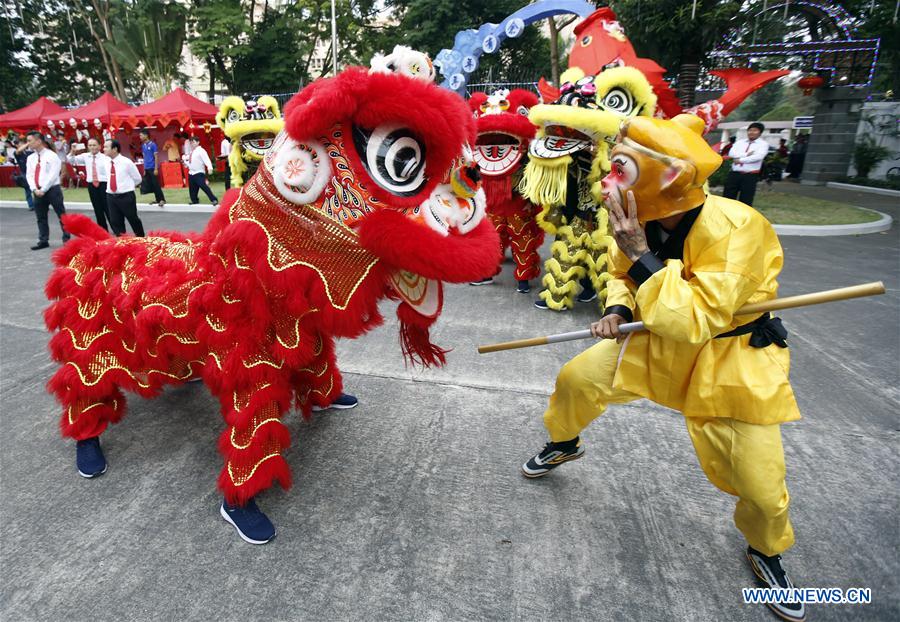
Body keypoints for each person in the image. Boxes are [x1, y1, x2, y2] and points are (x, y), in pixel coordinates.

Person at [522, 114, 806, 622]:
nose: (608, 179)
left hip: (730, 356)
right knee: (576, 379)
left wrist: (639, 253)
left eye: (621, 169)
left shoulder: (738, 227)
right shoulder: (637, 215)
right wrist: (618, 311)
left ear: (668, 177)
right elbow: (620, 276)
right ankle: (565, 441)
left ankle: (765, 551)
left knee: (761, 484)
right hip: (654, 338)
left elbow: (694, 319)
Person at [24, 131, 69, 250]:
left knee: (61, 215)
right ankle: (43, 240)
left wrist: (44, 189)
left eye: (30, 141)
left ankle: (67, 239)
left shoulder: (52, 155)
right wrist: (34, 189)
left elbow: (54, 174)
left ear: (39, 141)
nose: (28, 144)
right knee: (41, 216)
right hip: (37, 191)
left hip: (52, 190)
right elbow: (29, 175)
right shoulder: (30, 158)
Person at [104, 139, 146, 237]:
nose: (104, 149)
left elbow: (137, 178)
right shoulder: (106, 161)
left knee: (133, 219)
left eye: (106, 147)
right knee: (115, 221)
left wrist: (127, 187)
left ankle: (141, 239)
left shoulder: (126, 162)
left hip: (126, 196)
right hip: (111, 196)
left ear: (114, 149)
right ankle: (122, 243)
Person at [722, 121, 769, 206]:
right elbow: (732, 154)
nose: (751, 132)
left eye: (755, 130)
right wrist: (746, 154)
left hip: (750, 175)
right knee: (727, 197)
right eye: (750, 130)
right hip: (734, 174)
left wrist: (740, 160)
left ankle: (742, 218)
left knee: (746, 199)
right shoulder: (740, 142)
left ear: (760, 132)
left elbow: (758, 157)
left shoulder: (763, 144)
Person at [68, 138, 111, 231]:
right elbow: (70, 160)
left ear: (100, 146)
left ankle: (117, 230)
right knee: (97, 209)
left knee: (108, 208)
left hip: (104, 184)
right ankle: (103, 231)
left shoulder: (105, 157)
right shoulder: (85, 156)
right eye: (90, 145)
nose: (92, 147)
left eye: (94, 145)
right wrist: (72, 151)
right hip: (92, 185)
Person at [184, 135, 219, 206]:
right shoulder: (191, 152)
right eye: (191, 142)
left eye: (193, 142)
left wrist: (210, 168)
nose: (192, 144)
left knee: (203, 186)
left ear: (198, 142)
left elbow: (207, 160)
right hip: (191, 172)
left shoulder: (201, 151)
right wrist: (186, 163)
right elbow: (191, 161)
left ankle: (213, 199)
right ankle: (194, 200)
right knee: (192, 188)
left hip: (199, 172)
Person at [138, 128, 166, 207]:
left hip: (152, 167)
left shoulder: (153, 145)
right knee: (150, 184)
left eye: (141, 135)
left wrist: (156, 168)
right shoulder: (143, 146)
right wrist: (144, 169)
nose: (140, 137)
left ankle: (162, 200)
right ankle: (157, 199)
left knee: (156, 184)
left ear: (146, 135)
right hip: (147, 168)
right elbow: (144, 157)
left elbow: (156, 157)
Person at [14, 139, 35, 210]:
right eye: (21, 143)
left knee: (36, 188)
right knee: (28, 190)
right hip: (24, 173)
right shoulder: (16, 152)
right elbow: (19, 150)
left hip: (32, 172)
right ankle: (31, 205)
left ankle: (38, 204)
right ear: (16, 145)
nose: (23, 144)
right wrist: (28, 143)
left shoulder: (28, 152)